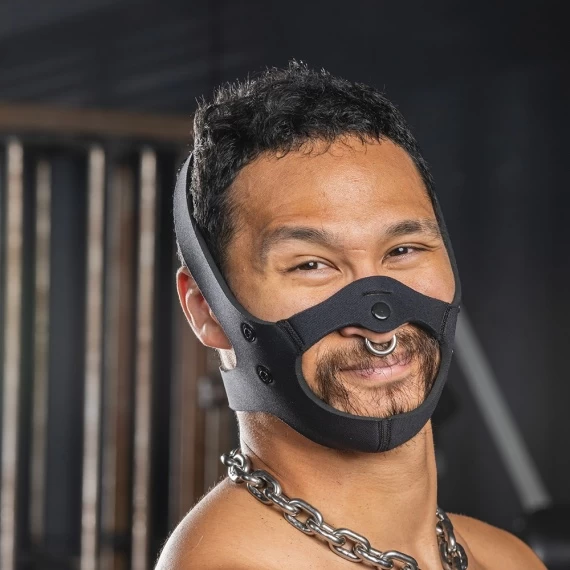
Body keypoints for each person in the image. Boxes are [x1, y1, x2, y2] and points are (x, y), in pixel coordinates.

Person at [157, 62, 546, 569]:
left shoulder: (508, 558)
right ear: (206, 310)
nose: (379, 317)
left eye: (403, 250)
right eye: (311, 264)